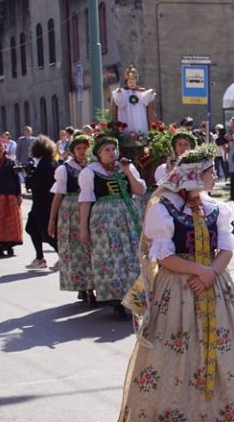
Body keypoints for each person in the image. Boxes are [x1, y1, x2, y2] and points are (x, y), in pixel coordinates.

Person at [118, 144, 234, 422]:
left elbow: (226, 247)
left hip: (212, 284)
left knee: (216, 351)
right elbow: (163, 256)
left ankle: (210, 421)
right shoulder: (163, 208)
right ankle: (176, 420)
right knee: (176, 353)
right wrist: (197, 272)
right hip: (177, 286)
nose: (214, 176)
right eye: (209, 172)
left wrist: (211, 273)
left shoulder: (216, 208)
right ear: (192, 176)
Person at [79, 133, 146, 320]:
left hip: (128, 221)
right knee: (112, 259)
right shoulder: (90, 172)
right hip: (105, 223)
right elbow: (85, 201)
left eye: (113, 149)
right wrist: (83, 229)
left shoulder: (125, 168)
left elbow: (139, 191)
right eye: (106, 150)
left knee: (132, 258)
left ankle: (136, 299)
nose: (111, 153)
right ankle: (117, 302)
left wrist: (128, 172)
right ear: (98, 154)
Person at [48, 134, 95, 304]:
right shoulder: (65, 169)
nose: (82, 152)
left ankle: (93, 285)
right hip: (71, 211)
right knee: (76, 250)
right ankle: (85, 288)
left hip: (90, 209)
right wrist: (52, 220)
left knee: (91, 249)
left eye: (85, 148)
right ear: (73, 151)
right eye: (79, 148)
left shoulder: (94, 166)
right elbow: (58, 196)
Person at [24, 136, 58, 269]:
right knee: (32, 228)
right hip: (43, 202)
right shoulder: (52, 162)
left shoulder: (45, 165)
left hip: (43, 203)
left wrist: (28, 175)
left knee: (47, 233)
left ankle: (62, 256)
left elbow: (34, 183)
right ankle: (39, 258)